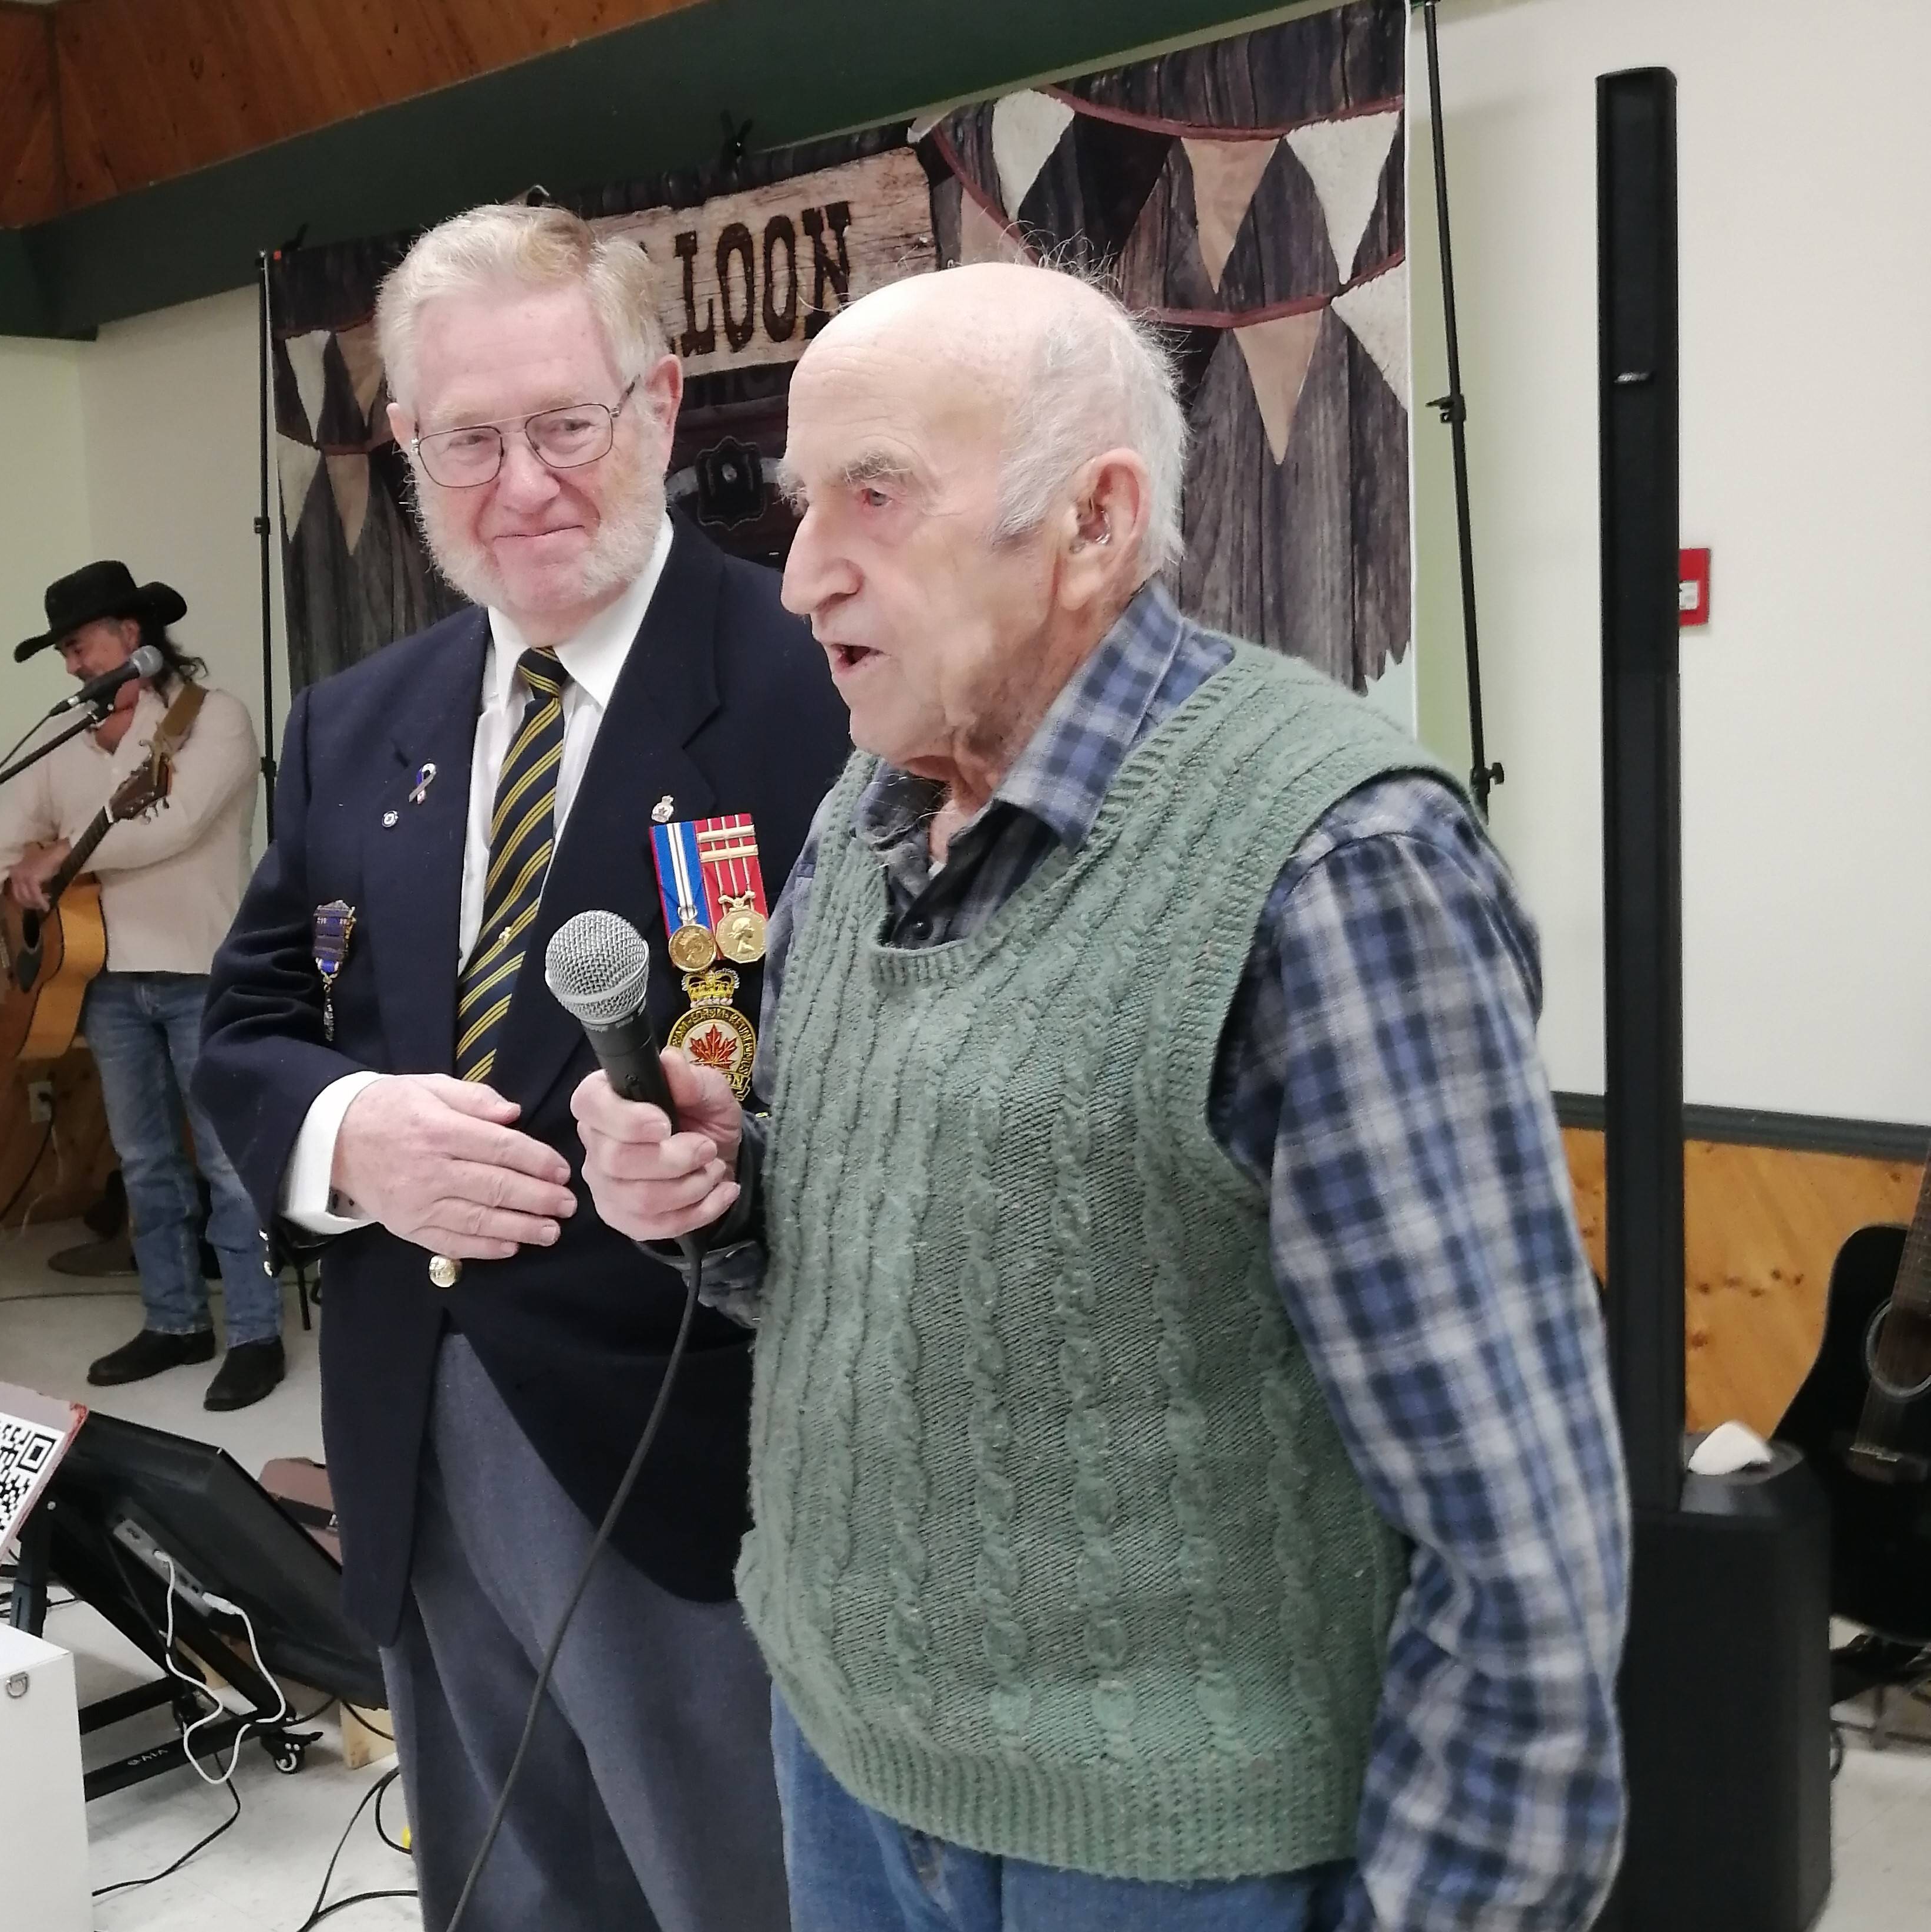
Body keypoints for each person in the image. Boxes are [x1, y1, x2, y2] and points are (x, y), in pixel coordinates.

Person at [573, 261, 1632, 1932]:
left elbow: (1521, 1544)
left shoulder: (1332, 862)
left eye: (876, 494)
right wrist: (721, 1195)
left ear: (1092, 521)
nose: (800, 579)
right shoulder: (868, 811)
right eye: (798, 506)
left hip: (1167, 1863)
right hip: (847, 1771)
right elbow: (913, 1265)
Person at [191, 203, 849, 1932]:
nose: (524, 482)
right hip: (417, 1438)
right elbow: (247, 1026)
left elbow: (915, 1063)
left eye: (566, 422)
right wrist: (353, 1132)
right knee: (503, 1898)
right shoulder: (357, 723)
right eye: (467, 437)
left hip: (708, 1457)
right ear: (405, 444)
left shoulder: (813, 685)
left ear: (661, 400)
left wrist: (735, 1156)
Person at [0, 561, 280, 1411]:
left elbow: (178, 823)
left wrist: (64, 855)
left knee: (232, 1166)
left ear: (132, 636)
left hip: (205, 974)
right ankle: (174, 1320)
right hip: (109, 983)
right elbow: (0, 837)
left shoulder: (213, 721)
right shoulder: (67, 753)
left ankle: (258, 1333)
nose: (74, 665)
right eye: (65, 652)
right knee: (146, 1163)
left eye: (81, 645)